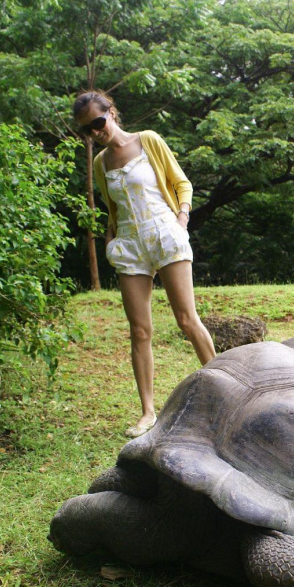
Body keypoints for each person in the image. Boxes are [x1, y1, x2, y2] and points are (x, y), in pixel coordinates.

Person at [73, 90, 216, 438]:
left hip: (164, 233)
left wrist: (181, 218)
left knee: (186, 320)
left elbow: (181, 182)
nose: (95, 132)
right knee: (139, 331)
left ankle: (225, 393)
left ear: (111, 112)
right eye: (86, 130)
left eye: (97, 122)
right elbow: (113, 206)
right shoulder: (99, 162)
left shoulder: (148, 140)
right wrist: (112, 237)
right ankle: (148, 412)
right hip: (130, 245)